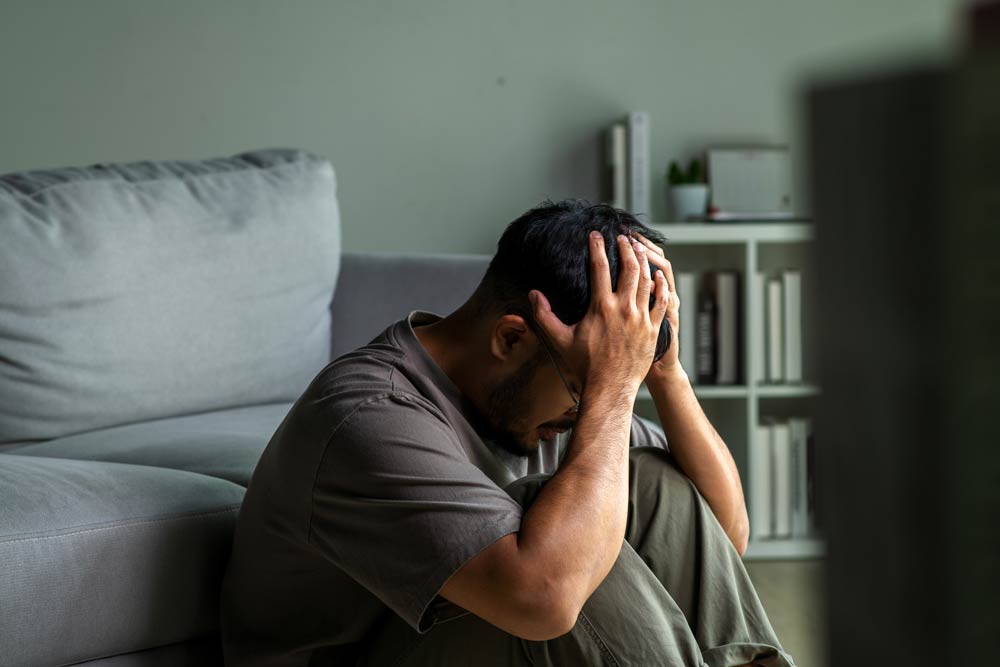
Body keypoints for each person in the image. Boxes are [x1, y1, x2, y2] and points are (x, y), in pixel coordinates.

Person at [220, 200, 797, 667]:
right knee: (569, 561)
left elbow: (722, 534)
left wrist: (663, 372)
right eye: (582, 387)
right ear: (512, 339)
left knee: (652, 485)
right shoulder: (367, 416)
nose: (587, 407)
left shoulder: (544, 398)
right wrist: (611, 389)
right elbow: (544, 599)